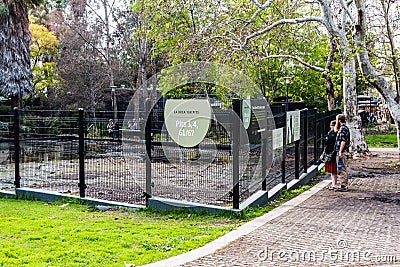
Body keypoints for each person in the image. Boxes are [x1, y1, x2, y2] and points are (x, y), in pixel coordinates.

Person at [334, 114, 350, 191]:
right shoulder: (344, 128)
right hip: (343, 151)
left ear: (339, 120)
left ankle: (343, 185)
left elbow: (343, 141)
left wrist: (340, 151)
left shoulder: (343, 129)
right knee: (342, 168)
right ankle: (343, 184)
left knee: (341, 168)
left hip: (342, 152)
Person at [323, 120, 338, 190]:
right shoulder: (333, 133)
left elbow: (327, 141)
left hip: (332, 152)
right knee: (333, 170)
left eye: (331, 125)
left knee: (333, 169)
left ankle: (334, 184)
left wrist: (325, 139)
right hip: (332, 152)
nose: (330, 127)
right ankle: (333, 183)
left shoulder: (333, 133)